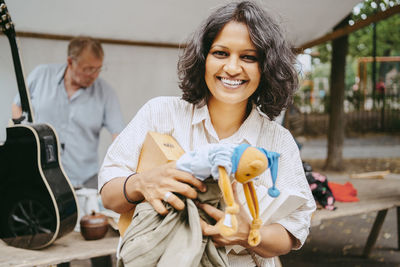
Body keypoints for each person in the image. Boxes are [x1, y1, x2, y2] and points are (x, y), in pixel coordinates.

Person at [99, 1, 316, 266]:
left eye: (248, 57)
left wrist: (247, 234)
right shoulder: (159, 113)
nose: (232, 68)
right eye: (221, 53)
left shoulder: (278, 142)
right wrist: (141, 183)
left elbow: (293, 232)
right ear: (204, 58)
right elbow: (109, 195)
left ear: (266, 67)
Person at [11, 36, 125, 189]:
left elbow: (118, 135)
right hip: (40, 176)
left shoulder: (106, 92)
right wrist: (25, 139)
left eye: (98, 69)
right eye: (89, 69)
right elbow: (17, 105)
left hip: (84, 180)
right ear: (70, 62)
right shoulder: (41, 75)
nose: (95, 75)